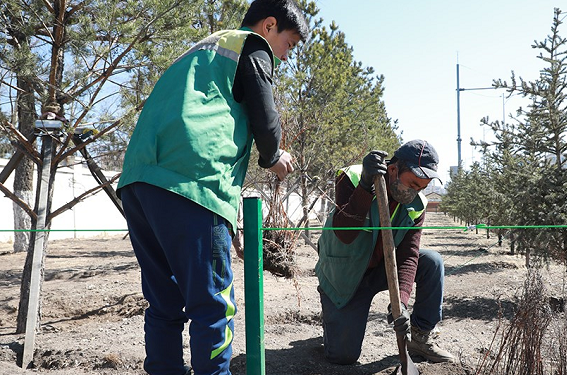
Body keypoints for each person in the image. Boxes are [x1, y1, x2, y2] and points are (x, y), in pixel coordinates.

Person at [116, 1, 309, 374]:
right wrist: (273, 156)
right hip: (193, 183)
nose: (285, 56)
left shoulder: (199, 52)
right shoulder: (252, 47)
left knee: (164, 303)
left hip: (139, 180)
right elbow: (266, 119)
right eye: (289, 44)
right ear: (269, 26)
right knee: (213, 305)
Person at [315, 139, 456, 365]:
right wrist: (364, 186)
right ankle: (333, 320)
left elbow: (408, 256)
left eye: (421, 187)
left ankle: (420, 337)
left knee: (431, 261)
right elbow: (345, 233)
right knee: (343, 356)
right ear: (393, 170)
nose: (415, 192)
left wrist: (401, 303)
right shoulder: (351, 177)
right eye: (412, 183)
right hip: (344, 272)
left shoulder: (417, 205)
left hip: (381, 269)